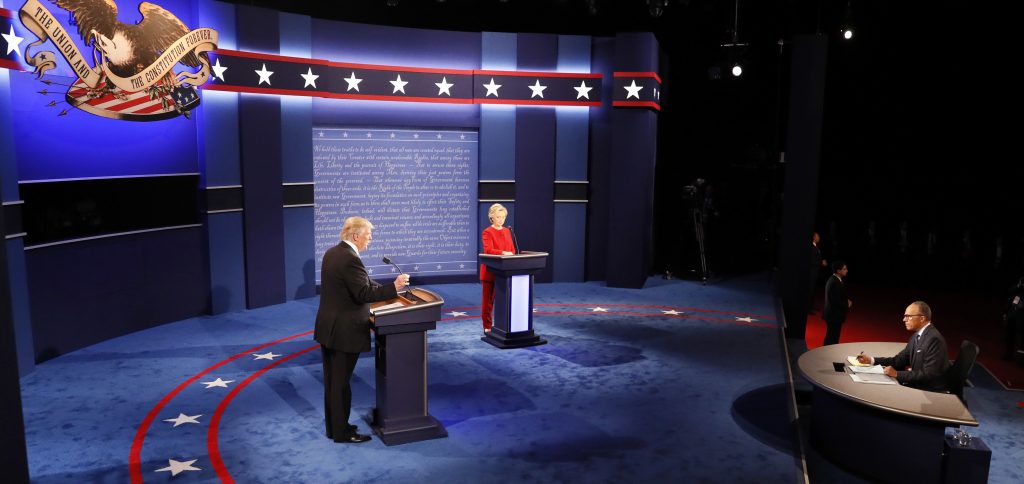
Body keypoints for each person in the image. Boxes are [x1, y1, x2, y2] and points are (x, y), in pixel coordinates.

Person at [314, 216, 409, 443]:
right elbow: (363, 294)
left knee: (333, 383)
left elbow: (361, 283)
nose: (371, 239)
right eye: (368, 234)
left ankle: (335, 428)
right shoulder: (350, 259)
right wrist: (393, 288)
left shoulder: (333, 253)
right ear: (356, 235)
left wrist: (391, 290)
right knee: (341, 384)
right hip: (344, 331)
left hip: (329, 328)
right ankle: (342, 433)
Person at [856, 301, 950, 392]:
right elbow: (899, 360)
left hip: (928, 392)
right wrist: (871, 360)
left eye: (908, 316)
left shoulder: (933, 339)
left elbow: (929, 374)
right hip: (918, 385)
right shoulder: (916, 336)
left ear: (922, 318)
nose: (904, 320)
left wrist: (897, 374)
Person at [480, 203, 515, 333]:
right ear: (492, 218)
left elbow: (512, 250)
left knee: (504, 301)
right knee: (488, 303)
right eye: (498, 217)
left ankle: (503, 325)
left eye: (503, 217)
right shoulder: (487, 232)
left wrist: (512, 255)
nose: (501, 220)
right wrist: (503, 253)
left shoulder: (507, 231)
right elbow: (488, 250)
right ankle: (487, 326)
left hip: (505, 272)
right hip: (490, 272)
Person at [822, 260, 850, 345]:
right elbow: (835, 301)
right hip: (834, 315)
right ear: (838, 270)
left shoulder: (835, 280)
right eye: (844, 269)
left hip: (833, 315)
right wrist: (847, 304)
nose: (847, 270)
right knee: (832, 338)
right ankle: (826, 355)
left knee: (832, 337)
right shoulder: (835, 282)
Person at [1003, 277, 1024, 360]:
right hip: (1013, 313)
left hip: (1022, 315)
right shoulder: (1020, 280)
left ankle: (1020, 358)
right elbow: (1010, 291)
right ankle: (1009, 354)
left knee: (1021, 338)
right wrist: (1019, 285)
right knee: (1010, 334)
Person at [809, 232, 828, 313]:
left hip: (815, 272)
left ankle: (811, 306)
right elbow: (811, 261)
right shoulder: (812, 247)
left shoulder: (816, 247)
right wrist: (821, 262)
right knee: (810, 290)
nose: (819, 237)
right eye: (817, 236)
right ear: (813, 237)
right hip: (812, 273)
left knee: (813, 290)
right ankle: (808, 308)